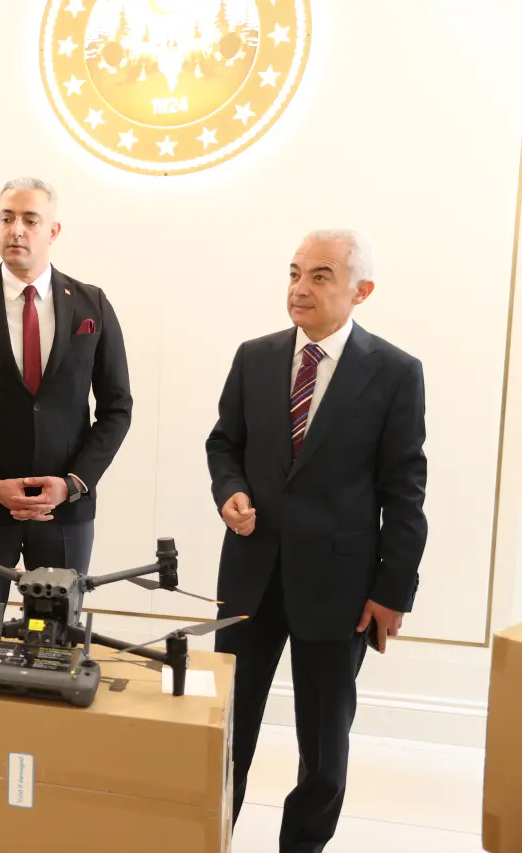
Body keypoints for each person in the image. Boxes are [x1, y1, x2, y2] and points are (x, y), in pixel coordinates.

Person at [205, 228, 428, 852]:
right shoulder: (254, 356)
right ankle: (209, 836)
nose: (300, 288)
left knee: (324, 749)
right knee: (225, 732)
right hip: (250, 576)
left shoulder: (395, 373)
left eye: (320, 276)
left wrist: (393, 592)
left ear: (362, 291)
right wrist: (230, 491)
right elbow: (224, 444)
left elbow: (405, 491)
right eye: (295, 273)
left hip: (340, 589)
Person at [0, 177, 133, 628]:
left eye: (30, 220)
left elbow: (117, 408)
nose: (16, 230)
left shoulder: (91, 304)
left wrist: (73, 483)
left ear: (53, 230)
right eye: (7, 218)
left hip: (65, 510)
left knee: (56, 641)